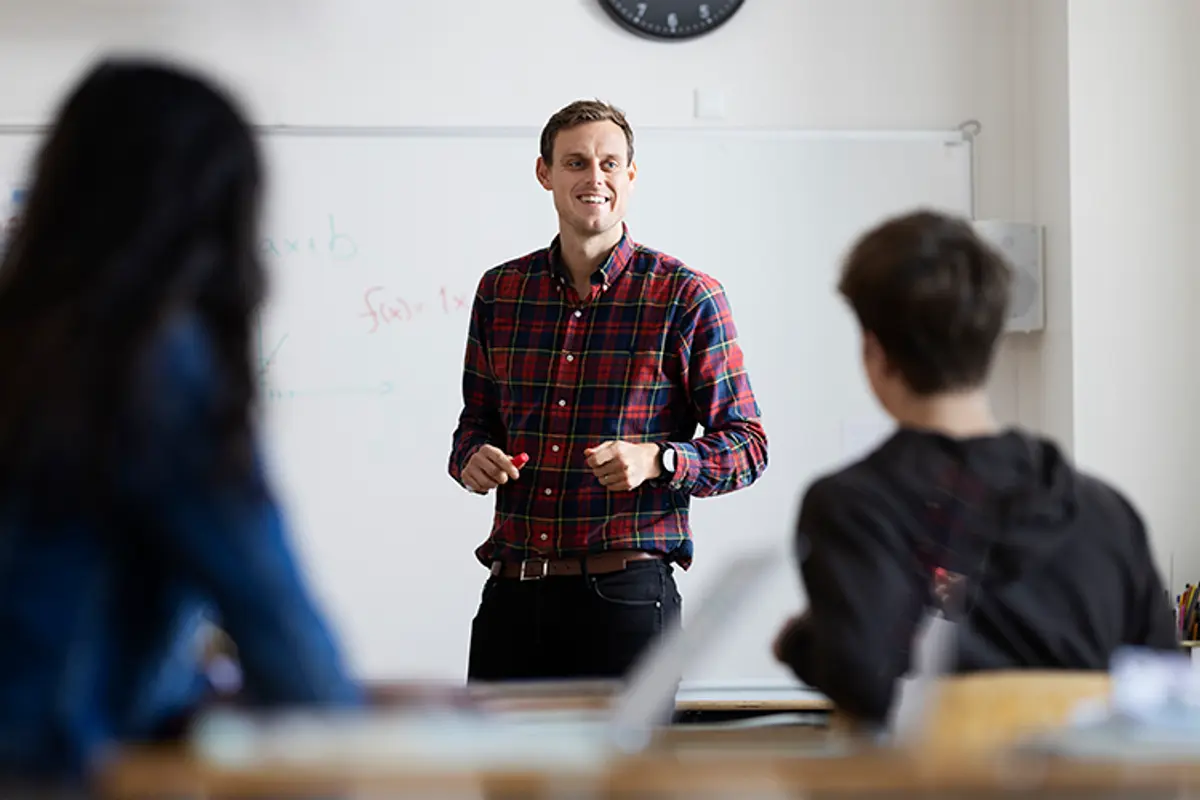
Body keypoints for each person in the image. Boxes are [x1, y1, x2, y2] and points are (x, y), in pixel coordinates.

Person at [0, 59, 360, 784]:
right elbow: (269, 610)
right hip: (52, 769)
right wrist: (351, 713)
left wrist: (198, 692)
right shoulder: (151, 365)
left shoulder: (29, 343)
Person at [772, 209, 1178, 725]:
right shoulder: (1106, 513)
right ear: (991, 343)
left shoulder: (851, 507)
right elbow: (1163, 688)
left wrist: (804, 647)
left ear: (875, 352)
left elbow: (869, 684)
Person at [449, 99, 768, 681]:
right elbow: (475, 424)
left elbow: (748, 446)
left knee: (629, 752)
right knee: (494, 749)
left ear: (630, 175)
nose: (594, 177)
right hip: (512, 597)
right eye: (575, 163)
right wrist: (472, 457)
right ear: (545, 173)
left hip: (625, 600)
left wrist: (659, 460)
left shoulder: (685, 296)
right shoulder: (501, 291)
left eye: (609, 163)